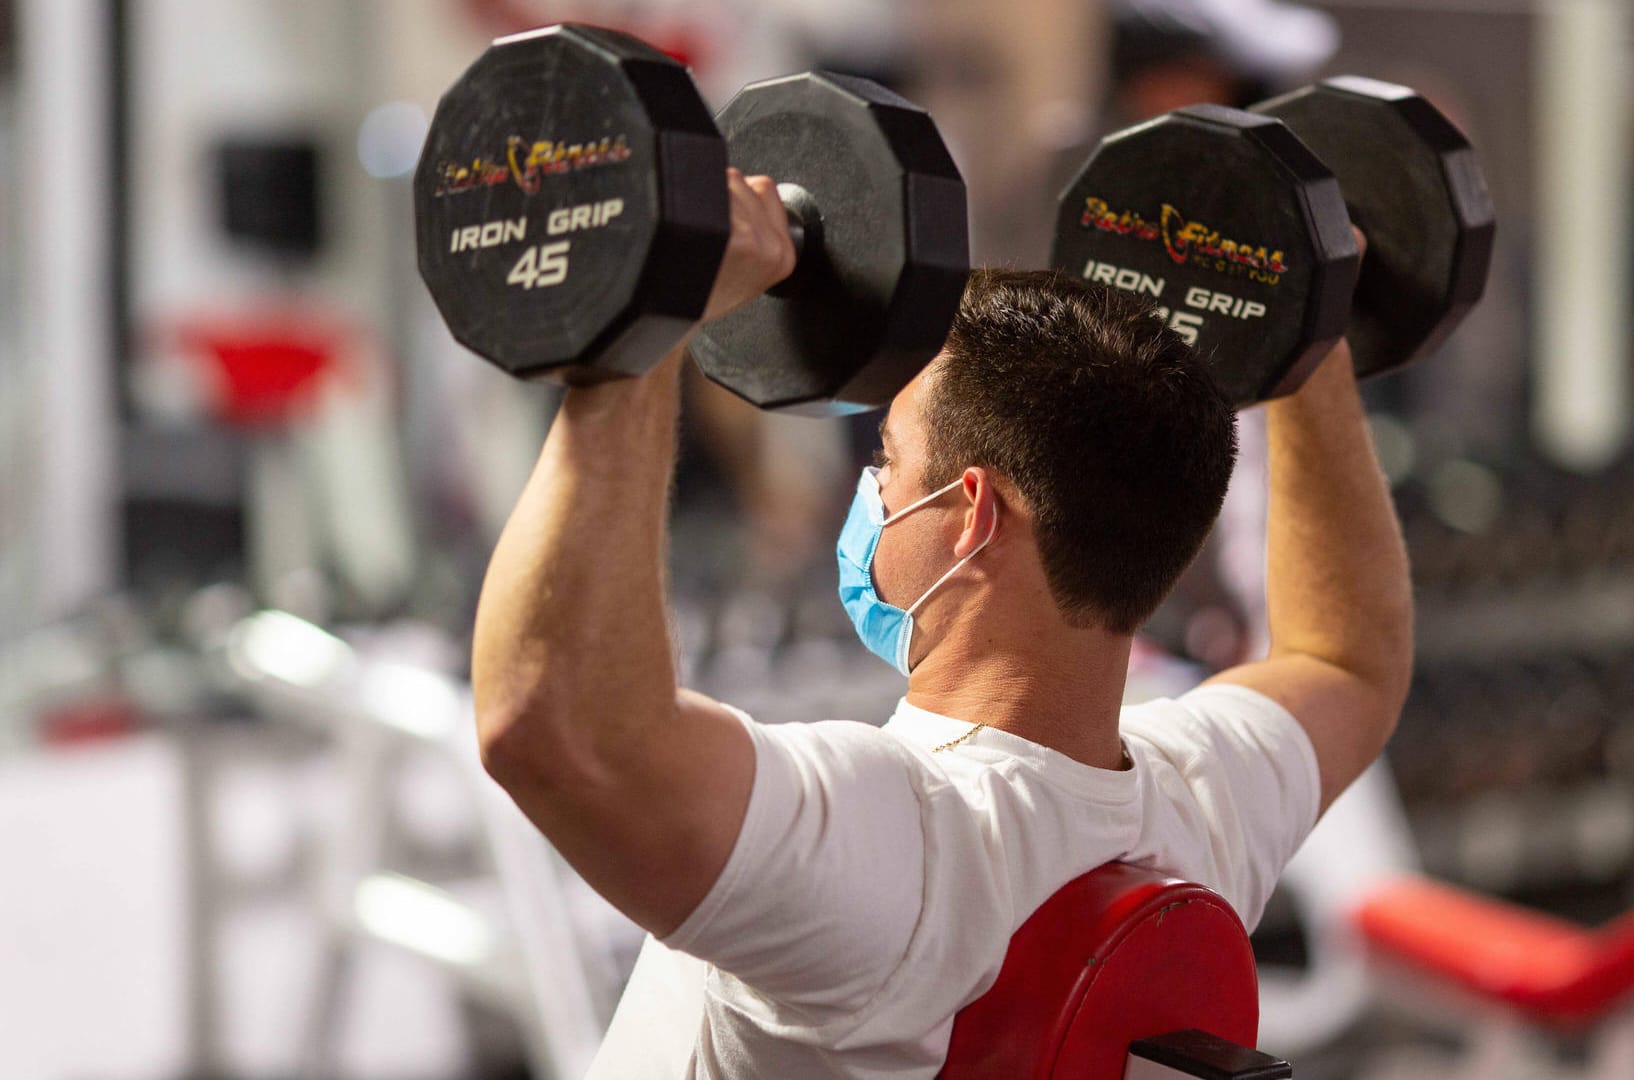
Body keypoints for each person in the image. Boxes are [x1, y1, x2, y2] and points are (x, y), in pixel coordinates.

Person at [471, 170, 1411, 1077]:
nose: (872, 491)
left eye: (888, 458)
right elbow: (1346, 657)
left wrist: (647, 328)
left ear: (972, 514)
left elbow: (552, 727)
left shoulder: (894, 843)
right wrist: (1311, 336)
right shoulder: (1202, 810)